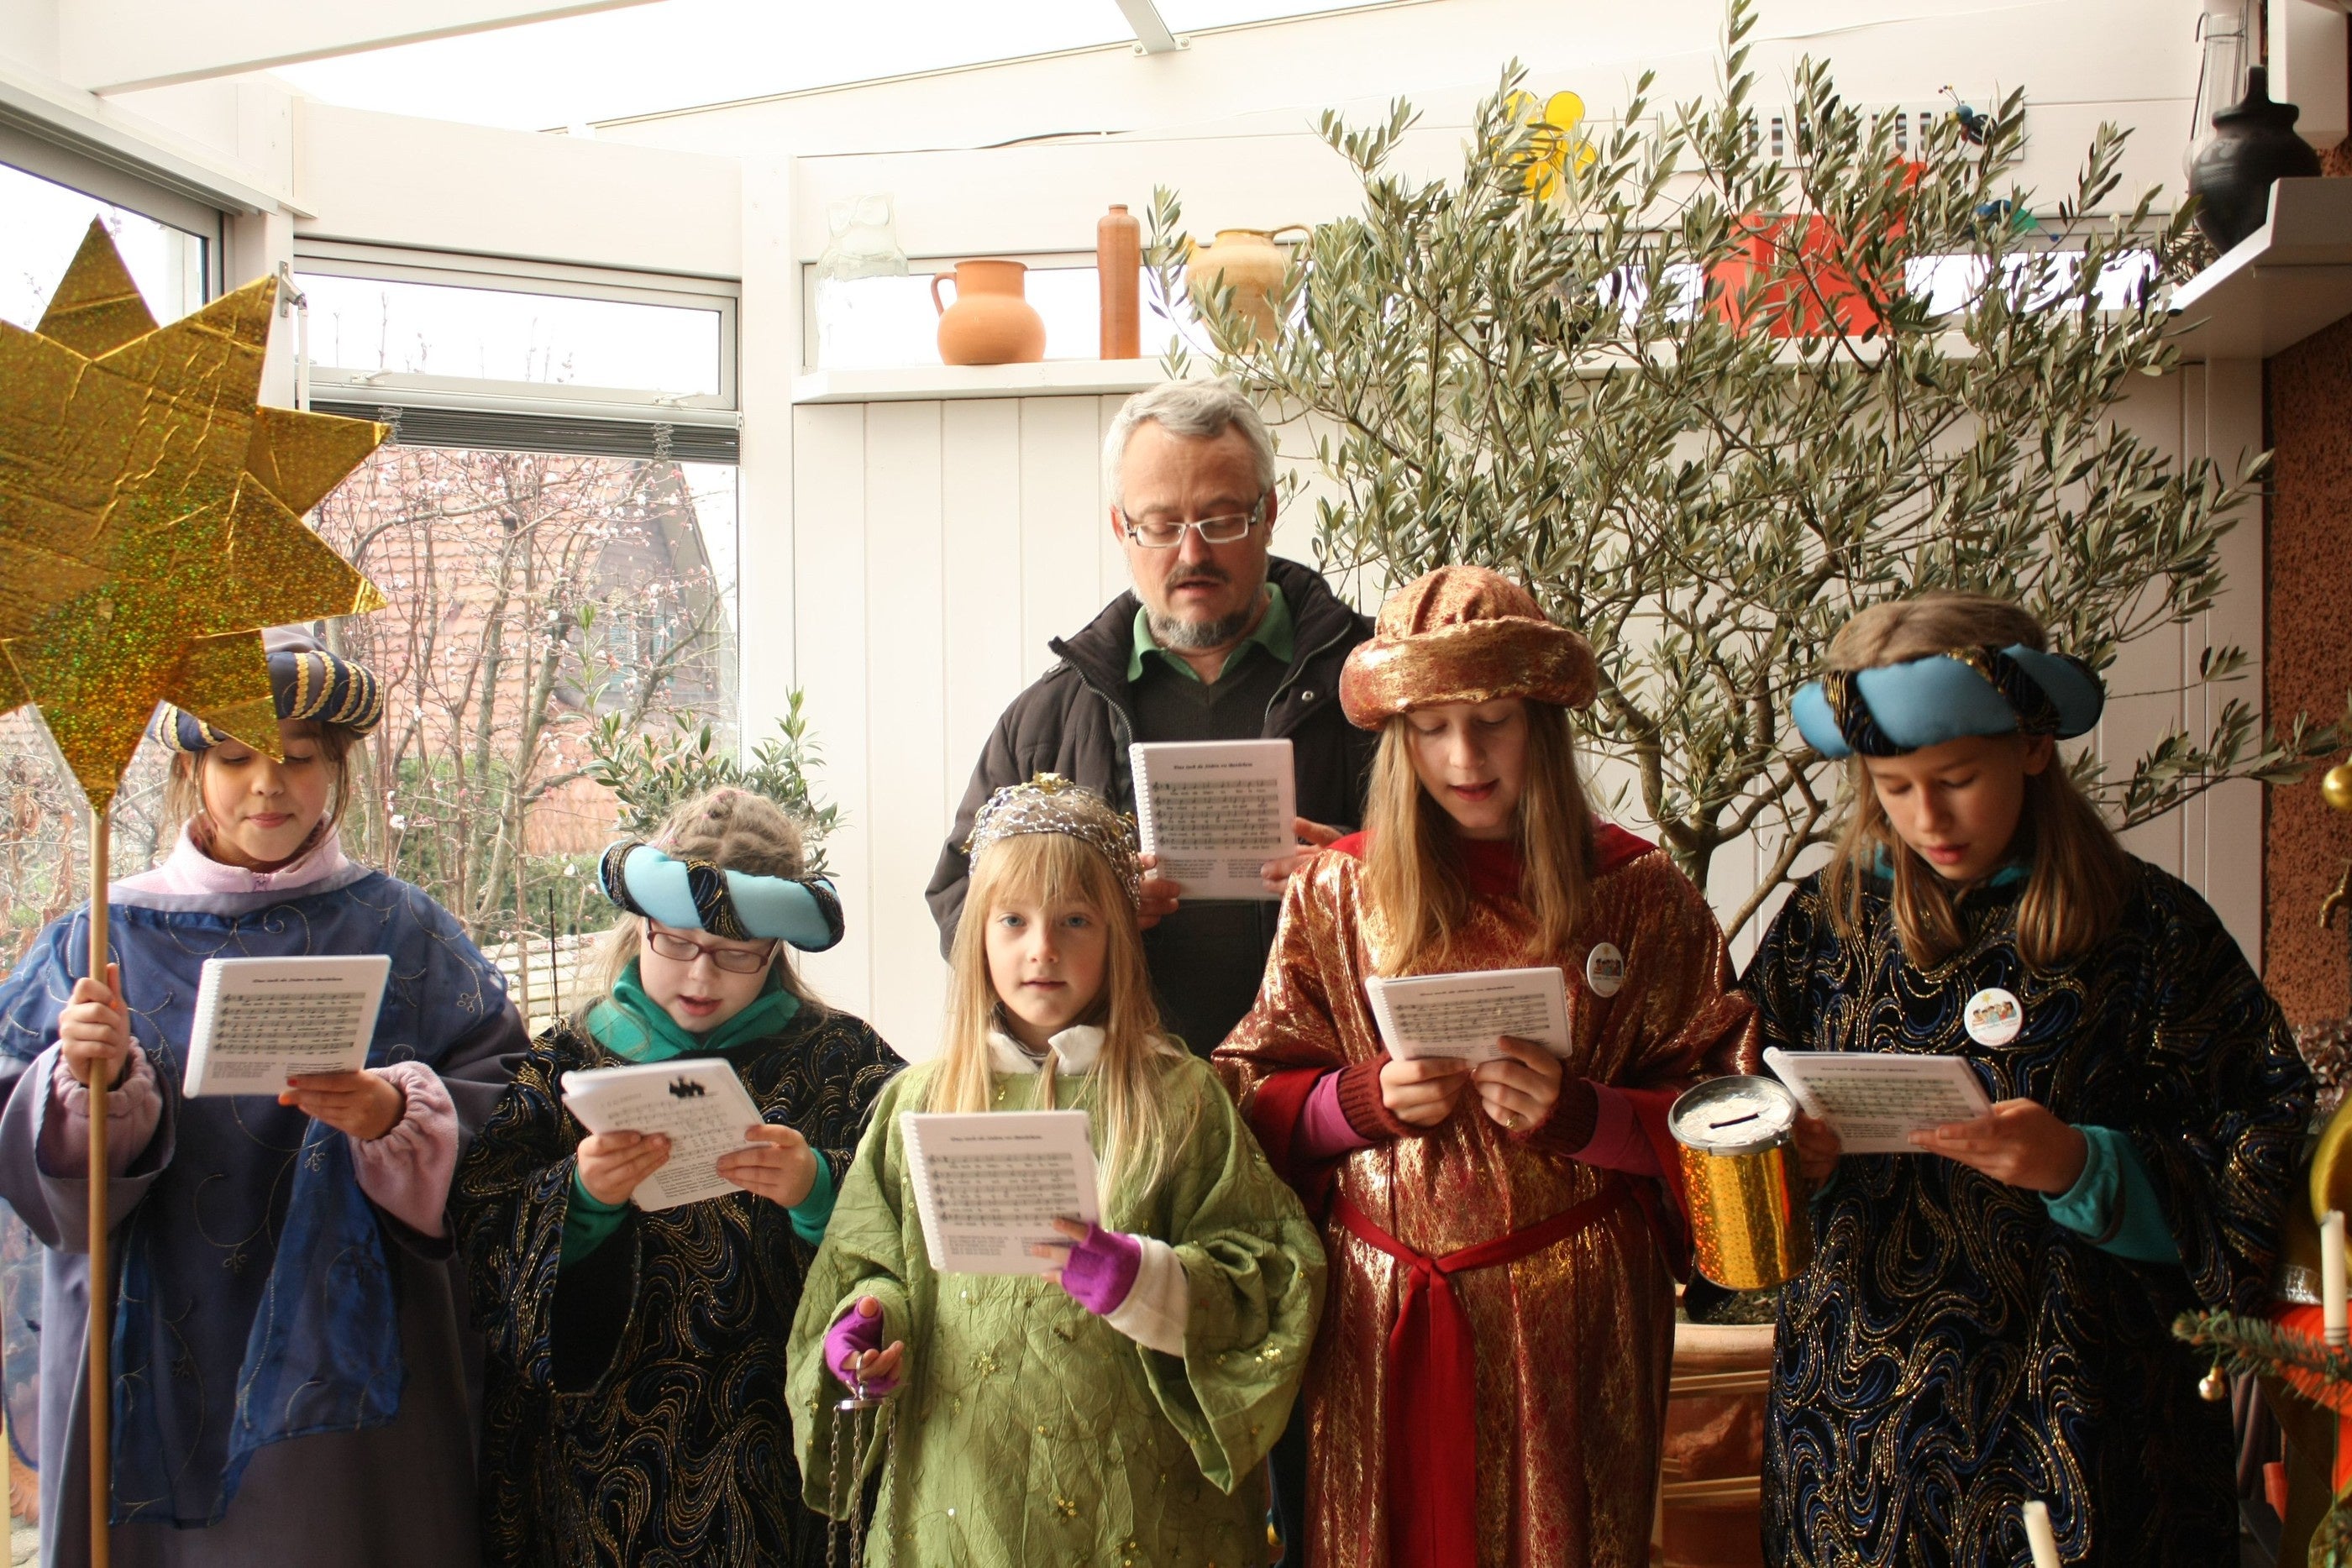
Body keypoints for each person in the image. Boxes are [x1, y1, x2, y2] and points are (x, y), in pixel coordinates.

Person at [1746, 593, 2311, 1566]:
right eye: (1893, 786)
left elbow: (2258, 1122)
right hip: (1858, 1431)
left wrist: (2085, 1167)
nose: (1929, 817)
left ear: (2034, 746)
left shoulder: (2150, 928)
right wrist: (1793, 1155)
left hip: (2089, 1418)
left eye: (1957, 778)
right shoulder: (1823, 924)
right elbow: (1734, 1103)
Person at [1215, 567, 1759, 1568]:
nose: (1462, 757)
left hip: (1570, 1326)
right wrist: (1356, 1101)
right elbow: (1244, 1098)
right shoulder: (1340, 891)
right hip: (1380, 1317)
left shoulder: (1638, 893)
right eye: (1430, 728)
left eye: (1494, 721)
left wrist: (1587, 1114)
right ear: (1396, 739)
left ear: (1541, 724)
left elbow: (1728, 1117)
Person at [0, 628, 524, 1568]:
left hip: (351, 1364)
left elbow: (510, 1107)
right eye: (236, 755)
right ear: (192, 770)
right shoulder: (99, 932)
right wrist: (92, 1079)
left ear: (339, 771)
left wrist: (395, 1115)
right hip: (151, 1344)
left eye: (299, 759)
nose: (267, 785)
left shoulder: (407, 930)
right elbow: (26, 1155)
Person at [793, 774, 1326, 1565]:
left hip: (1144, 1506)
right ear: (978, 933)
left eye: (1076, 919)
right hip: (962, 1490)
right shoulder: (920, 1099)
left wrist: (1143, 1279)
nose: (1042, 947)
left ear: (1117, 935)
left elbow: (1272, 1276)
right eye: (1013, 919)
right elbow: (873, 1262)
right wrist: (868, 1325)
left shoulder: (1178, 1095)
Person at [452, 788, 902, 1567]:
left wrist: (818, 1189)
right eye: (677, 943)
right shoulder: (566, 1063)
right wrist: (580, 1200)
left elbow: (911, 1203)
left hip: (777, 1449)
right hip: (598, 1465)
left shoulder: (842, 1063)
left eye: (735, 953)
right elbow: (482, 1234)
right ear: (640, 930)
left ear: (775, 950)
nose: (701, 974)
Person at [926, 380, 1378, 1057]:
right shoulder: (1048, 718)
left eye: (1221, 520)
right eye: (1162, 526)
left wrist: (1353, 874)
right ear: (1121, 527)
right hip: (1127, 1111)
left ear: (1269, 512)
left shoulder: (1375, 686)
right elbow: (962, 908)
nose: (1192, 555)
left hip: (1333, 1101)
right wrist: (1086, 913)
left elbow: (1483, 884)